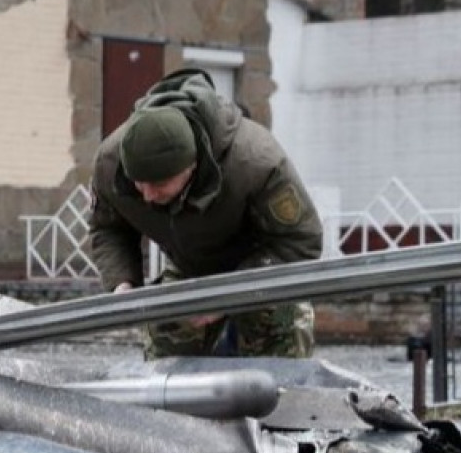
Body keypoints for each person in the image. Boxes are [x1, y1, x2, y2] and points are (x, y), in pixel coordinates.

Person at [86, 68, 322, 359]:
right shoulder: (111, 163)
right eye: (138, 184)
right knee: (166, 362)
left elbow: (301, 240)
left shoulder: (257, 162)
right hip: (189, 268)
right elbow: (108, 228)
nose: (146, 195)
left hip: (260, 270)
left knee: (281, 356)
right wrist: (123, 283)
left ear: (192, 167)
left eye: (159, 185)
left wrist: (227, 296)